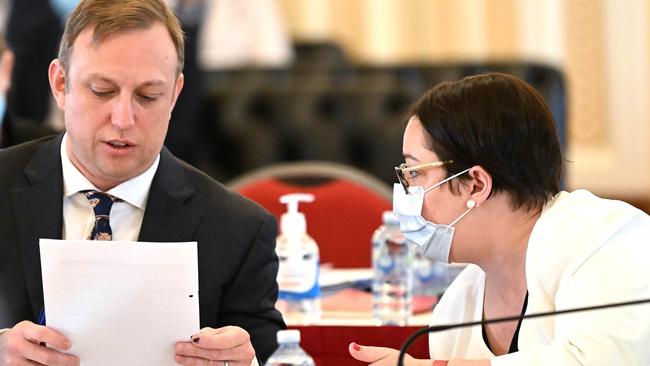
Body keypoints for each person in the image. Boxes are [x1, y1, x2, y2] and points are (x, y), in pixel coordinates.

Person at [0, 0, 284, 365]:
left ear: (174, 95)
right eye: (102, 91)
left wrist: (244, 359)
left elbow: (272, 353)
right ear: (60, 84)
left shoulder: (239, 230)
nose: (123, 119)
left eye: (148, 96)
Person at [348, 73, 650, 365]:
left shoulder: (606, 237)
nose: (406, 193)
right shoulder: (456, 309)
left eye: (414, 173)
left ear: (476, 184)